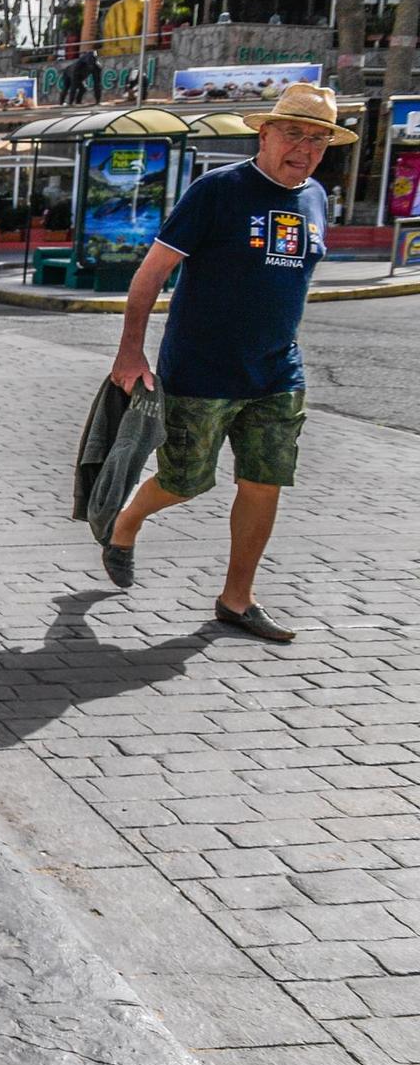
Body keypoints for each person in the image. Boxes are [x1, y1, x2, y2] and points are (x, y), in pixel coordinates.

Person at [100, 81, 351, 643]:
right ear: (263, 133)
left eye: (318, 139)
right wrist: (131, 350)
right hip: (202, 369)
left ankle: (237, 599)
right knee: (185, 481)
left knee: (265, 482)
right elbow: (151, 274)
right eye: (293, 133)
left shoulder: (316, 198)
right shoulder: (219, 190)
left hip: (277, 371)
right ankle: (125, 523)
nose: (304, 148)